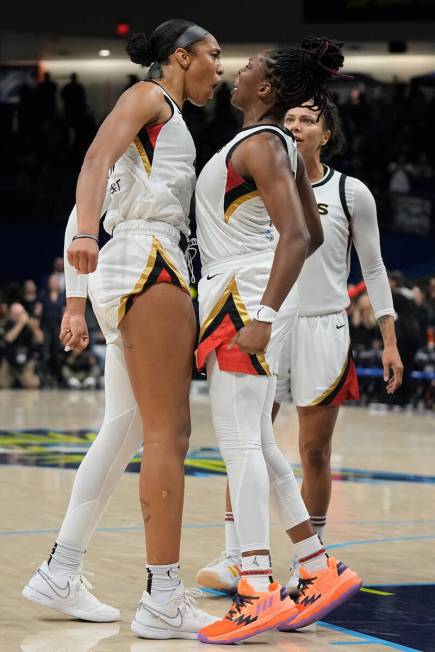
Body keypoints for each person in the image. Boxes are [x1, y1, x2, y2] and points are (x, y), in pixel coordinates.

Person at [23, 19, 223, 640]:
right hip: (147, 264)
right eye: (213, 55)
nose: (220, 66)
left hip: (130, 266)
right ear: (181, 57)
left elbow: (102, 185)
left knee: (127, 429)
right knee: (171, 434)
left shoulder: (168, 119)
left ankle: (61, 568)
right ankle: (164, 594)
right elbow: (92, 163)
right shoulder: (150, 98)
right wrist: (85, 240)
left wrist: (80, 296)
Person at [197, 99, 403, 602]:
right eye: (289, 119)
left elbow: (373, 270)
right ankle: (234, 554)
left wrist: (389, 338)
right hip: (271, 320)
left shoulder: (351, 192)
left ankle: (307, 558)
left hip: (324, 326)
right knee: (248, 437)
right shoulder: (265, 180)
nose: (295, 126)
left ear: (326, 134)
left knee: (313, 451)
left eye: (307, 120)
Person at [194, 39, 361, 646]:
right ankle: (318, 567)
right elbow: (309, 232)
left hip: (241, 296)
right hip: (243, 288)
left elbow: (296, 234)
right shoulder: (278, 146)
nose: (237, 76)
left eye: (247, 70)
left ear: (265, 89)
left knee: (240, 443)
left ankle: (257, 586)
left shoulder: (261, 142)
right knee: (259, 443)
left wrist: (264, 311)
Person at [0, 303, 44, 389]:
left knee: (31, 384)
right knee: (2, 384)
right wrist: (20, 323)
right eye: (15, 314)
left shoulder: (30, 324)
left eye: (20, 314)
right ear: (11, 314)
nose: (18, 316)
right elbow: (9, 338)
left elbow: (40, 339)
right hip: (10, 359)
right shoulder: (8, 323)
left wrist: (34, 327)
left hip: (27, 358)